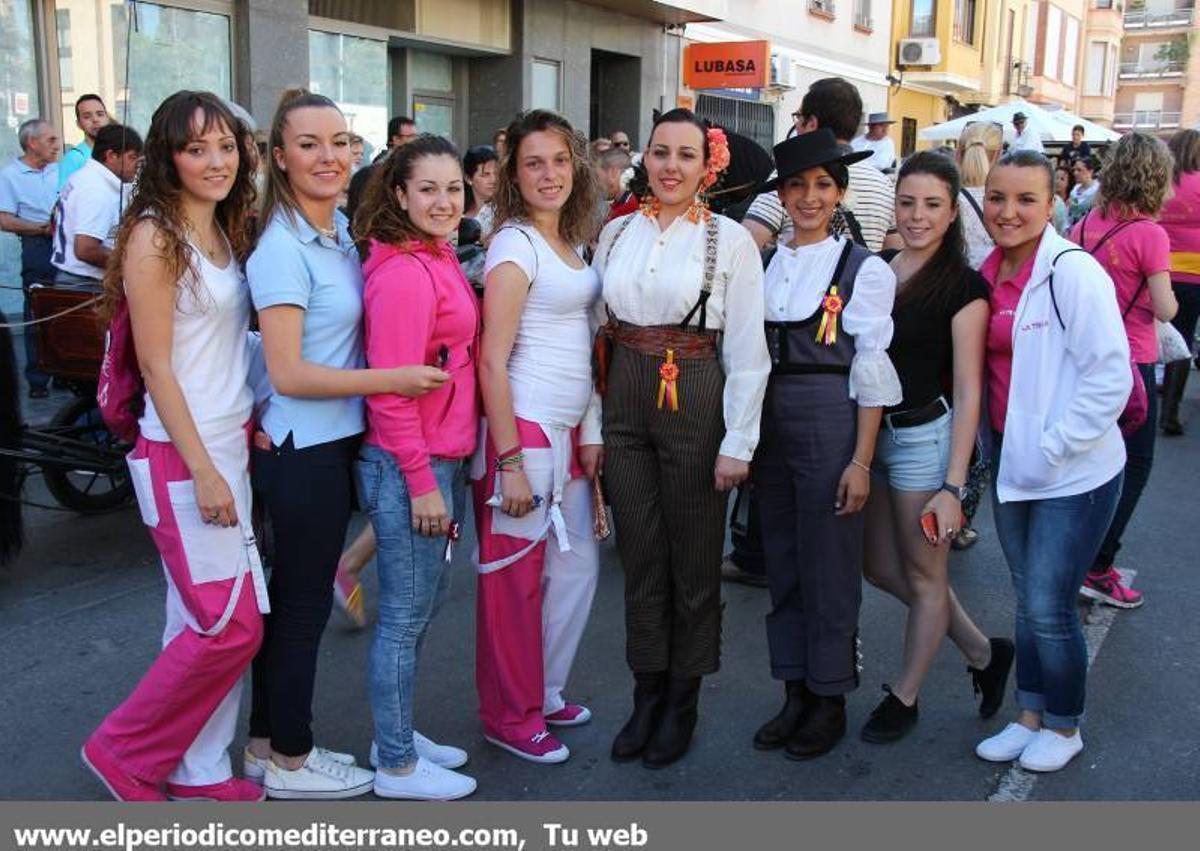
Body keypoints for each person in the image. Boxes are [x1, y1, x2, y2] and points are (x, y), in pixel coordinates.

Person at [243, 89, 446, 800]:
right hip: (304, 449)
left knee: (290, 602)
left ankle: (266, 743)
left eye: (340, 142)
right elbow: (289, 370)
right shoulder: (280, 248)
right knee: (299, 608)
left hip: (330, 442)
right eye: (308, 144)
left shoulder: (332, 236)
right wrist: (392, 376)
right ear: (279, 157)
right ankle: (292, 759)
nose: (328, 157)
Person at [80, 90, 267, 803]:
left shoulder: (222, 227)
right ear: (168, 157)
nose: (216, 161)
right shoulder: (155, 235)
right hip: (182, 455)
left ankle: (200, 766)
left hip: (226, 444)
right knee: (230, 625)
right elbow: (157, 367)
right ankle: (121, 750)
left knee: (193, 618)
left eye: (226, 146)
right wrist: (204, 470)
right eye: (197, 148)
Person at [596, 108, 770, 768]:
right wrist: (594, 425)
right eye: (661, 152)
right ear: (645, 156)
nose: (671, 165)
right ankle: (647, 691)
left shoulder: (731, 241)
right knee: (641, 557)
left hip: (696, 391)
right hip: (626, 398)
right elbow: (597, 337)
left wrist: (740, 442)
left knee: (694, 562)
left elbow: (750, 352)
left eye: (686, 155)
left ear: (707, 165)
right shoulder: (615, 235)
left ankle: (683, 698)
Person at [975, 150, 1129, 773]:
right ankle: (1030, 714)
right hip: (1014, 466)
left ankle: (1064, 727)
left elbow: (1110, 375)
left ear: (1052, 204)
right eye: (997, 198)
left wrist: (1053, 445)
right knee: (1025, 597)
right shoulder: (984, 268)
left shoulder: (1072, 272)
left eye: (1026, 200)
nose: (1008, 212)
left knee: (1049, 603)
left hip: (1076, 471)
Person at [749, 129, 900, 761]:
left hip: (831, 422)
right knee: (781, 560)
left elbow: (871, 369)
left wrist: (861, 461)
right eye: (797, 186)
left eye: (822, 186)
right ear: (781, 195)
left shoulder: (862, 269)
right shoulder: (764, 262)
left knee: (830, 566)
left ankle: (830, 694)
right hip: (769, 424)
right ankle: (795, 690)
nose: (809, 198)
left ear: (839, 193)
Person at [859, 151, 1014, 744]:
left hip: (926, 440)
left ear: (953, 214)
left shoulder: (966, 288)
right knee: (875, 567)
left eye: (932, 205)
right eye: (907, 202)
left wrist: (952, 486)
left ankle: (905, 695)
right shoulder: (874, 269)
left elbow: (971, 389)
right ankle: (981, 650)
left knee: (926, 576)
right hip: (873, 438)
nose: (918, 216)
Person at [473, 109, 604, 764]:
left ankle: (543, 689)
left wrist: (588, 427)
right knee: (514, 581)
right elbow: (491, 359)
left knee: (575, 567)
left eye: (558, 160)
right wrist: (511, 461)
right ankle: (508, 712)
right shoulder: (513, 245)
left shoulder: (570, 243)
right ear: (514, 176)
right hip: (522, 429)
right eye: (533, 163)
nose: (548, 174)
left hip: (567, 431)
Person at [352, 134, 480, 800]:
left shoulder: (432, 254)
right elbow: (390, 391)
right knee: (403, 616)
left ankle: (396, 733)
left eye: (453, 187)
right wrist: (423, 481)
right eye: (427, 188)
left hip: (439, 455)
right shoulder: (403, 271)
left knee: (418, 610)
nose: (443, 200)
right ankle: (396, 762)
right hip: (414, 462)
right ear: (398, 194)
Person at [1070, 133, 1176, 610]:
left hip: (1083, 360)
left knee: (1085, 464)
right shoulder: (1151, 234)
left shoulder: (1088, 222)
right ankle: (1098, 565)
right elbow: (1167, 307)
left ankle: (1074, 555)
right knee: (1134, 465)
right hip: (1132, 362)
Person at [744, 78, 900, 253]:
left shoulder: (792, 175)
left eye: (798, 117)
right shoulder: (883, 184)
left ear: (811, 124)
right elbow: (894, 251)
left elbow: (747, 244)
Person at [0, 118, 60, 398]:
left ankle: (64, 371)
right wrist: (40, 228)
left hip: (63, 244)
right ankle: (37, 379)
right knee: (37, 311)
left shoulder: (58, 170)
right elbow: (5, 221)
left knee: (64, 308)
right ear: (32, 143)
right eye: (50, 139)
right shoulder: (10, 175)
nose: (56, 144)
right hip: (37, 244)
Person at [51, 124, 144, 284]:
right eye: (132, 157)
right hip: (84, 283)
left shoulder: (84, 177)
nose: (137, 164)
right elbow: (86, 249)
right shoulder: (96, 189)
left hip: (72, 278)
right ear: (110, 156)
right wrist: (135, 267)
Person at [1159, 129, 1200, 436]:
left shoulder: (1162, 182)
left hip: (1159, 268)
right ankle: (1170, 412)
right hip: (1194, 272)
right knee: (1184, 339)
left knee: (1154, 333)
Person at [58, 93, 110, 189]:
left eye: (100, 114)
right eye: (87, 117)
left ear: (107, 118)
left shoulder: (116, 153)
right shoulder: (74, 158)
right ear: (79, 124)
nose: (95, 120)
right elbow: (64, 199)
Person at [463, 145, 499, 236]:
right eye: (485, 175)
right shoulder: (458, 211)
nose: (493, 180)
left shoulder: (505, 212)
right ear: (468, 178)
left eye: (496, 173)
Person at [596, 147, 635, 220]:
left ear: (613, 172)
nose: (597, 184)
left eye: (597, 176)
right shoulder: (617, 206)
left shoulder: (630, 209)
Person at [1067, 156, 1099, 225]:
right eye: (1074, 170)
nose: (1075, 173)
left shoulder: (1098, 191)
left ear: (1090, 171)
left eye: (1079, 170)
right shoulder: (1074, 190)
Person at [1052, 165, 1072, 235]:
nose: (1058, 181)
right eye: (1056, 178)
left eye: (1062, 179)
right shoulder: (1048, 199)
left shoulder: (1073, 203)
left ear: (1068, 183)